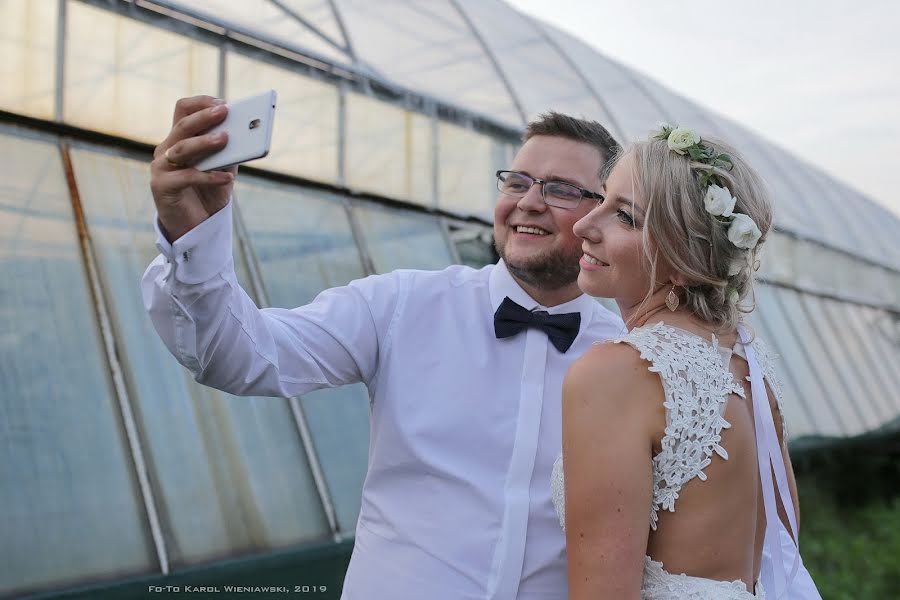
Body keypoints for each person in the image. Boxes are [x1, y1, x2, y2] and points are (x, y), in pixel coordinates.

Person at [143, 96, 626, 599]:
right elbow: (239, 356)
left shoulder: (629, 357)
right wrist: (192, 235)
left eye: (561, 189)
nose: (528, 201)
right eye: (518, 182)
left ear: (605, 215)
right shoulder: (400, 303)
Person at [550, 125, 821, 599]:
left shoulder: (619, 373)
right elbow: (782, 553)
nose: (583, 225)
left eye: (624, 217)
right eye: (602, 200)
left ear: (683, 258)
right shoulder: (750, 360)